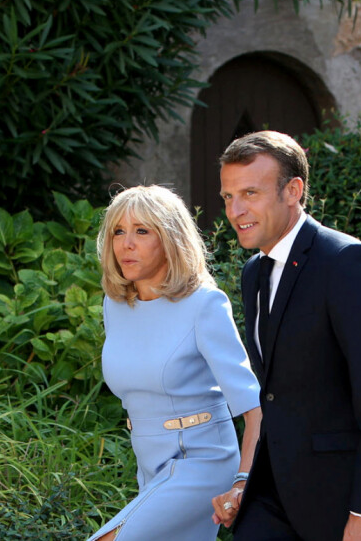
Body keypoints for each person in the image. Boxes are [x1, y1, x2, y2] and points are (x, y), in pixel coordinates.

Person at [212, 130, 361, 541]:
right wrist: (244, 481)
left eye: (250, 193)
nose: (235, 210)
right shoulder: (253, 272)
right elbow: (273, 396)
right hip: (270, 500)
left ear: (293, 191)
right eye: (227, 197)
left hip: (343, 502)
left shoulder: (347, 263)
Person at [87, 185, 262, 541]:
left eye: (141, 231)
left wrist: (243, 481)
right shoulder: (115, 305)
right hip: (148, 461)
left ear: (171, 239)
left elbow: (254, 407)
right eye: (118, 231)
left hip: (200, 460)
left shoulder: (204, 304)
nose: (126, 244)